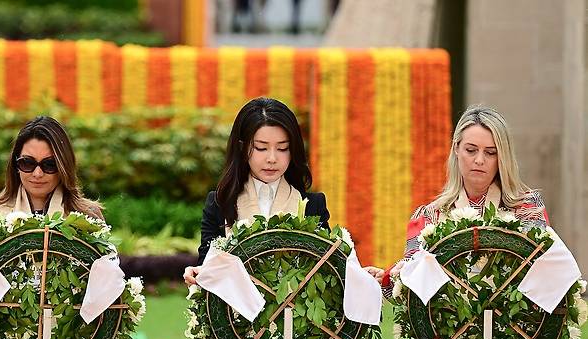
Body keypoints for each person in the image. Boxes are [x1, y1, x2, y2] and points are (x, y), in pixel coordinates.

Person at [369, 104, 549, 295]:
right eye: (471, 150)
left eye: (490, 152)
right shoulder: (429, 215)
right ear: (456, 148)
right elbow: (412, 273)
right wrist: (388, 277)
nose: (479, 160)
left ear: (502, 156)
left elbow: (542, 274)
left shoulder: (528, 207)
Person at [183, 97, 330, 285]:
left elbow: (328, 267)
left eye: (283, 148)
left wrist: (360, 275)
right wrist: (197, 273)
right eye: (261, 148)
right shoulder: (221, 202)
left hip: (293, 313)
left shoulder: (312, 205)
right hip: (235, 313)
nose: (272, 158)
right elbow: (207, 264)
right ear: (242, 148)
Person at [0, 116, 103, 235]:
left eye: (49, 164)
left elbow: (106, 261)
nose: (37, 173)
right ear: (15, 165)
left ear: (64, 166)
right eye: (27, 163)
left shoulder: (88, 214)